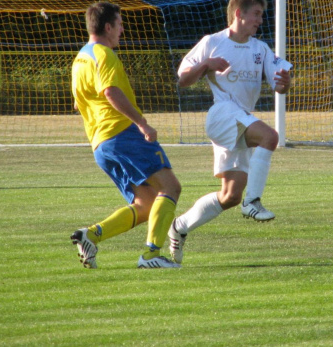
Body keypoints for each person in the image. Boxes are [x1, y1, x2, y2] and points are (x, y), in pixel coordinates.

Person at [167, 0, 292, 264]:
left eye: (261, 15)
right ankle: (253, 202)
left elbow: (278, 85)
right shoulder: (212, 41)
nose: (260, 20)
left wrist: (284, 83)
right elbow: (183, 80)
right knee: (270, 137)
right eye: (256, 14)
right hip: (222, 113)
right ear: (239, 13)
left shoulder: (261, 49)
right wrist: (206, 65)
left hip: (240, 120)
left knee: (230, 196)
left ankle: (179, 226)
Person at [70, 2, 181, 269]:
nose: (122, 29)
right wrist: (142, 123)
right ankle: (151, 256)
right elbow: (110, 92)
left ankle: (91, 235)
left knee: (146, 204)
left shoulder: (80, 59)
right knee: (170, 187)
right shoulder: (104, 55)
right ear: (107, 27)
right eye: (119, 23)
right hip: (121, 134)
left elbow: (78, 104)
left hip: (100, 145)